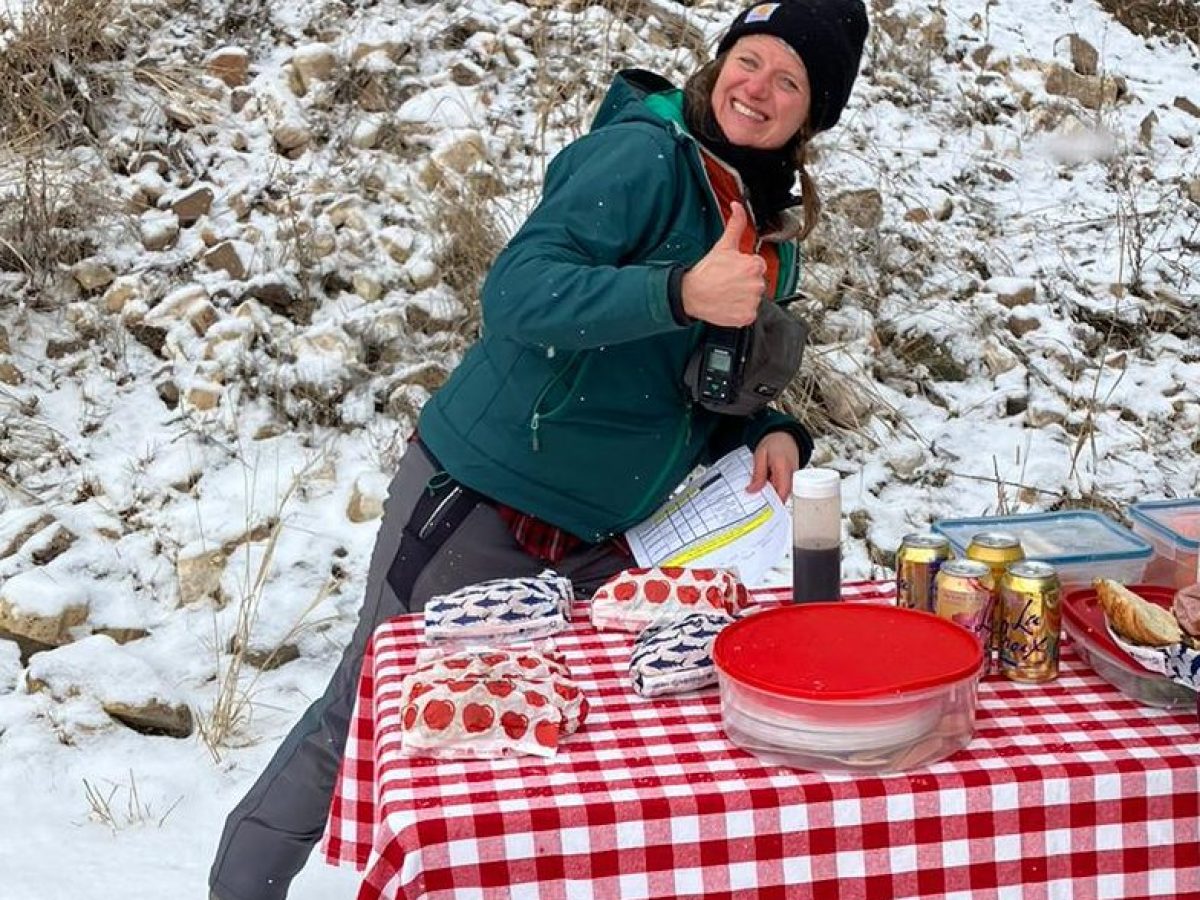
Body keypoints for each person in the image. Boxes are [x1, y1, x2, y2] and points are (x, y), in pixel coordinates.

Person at [209, 2, 868, 897]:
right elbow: (517, 292)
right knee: (368, 722)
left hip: (598, 543)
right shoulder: (646, 157)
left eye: (789, 80)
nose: (759, 87)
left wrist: (770, 428)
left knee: (524, 758)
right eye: (749, 60)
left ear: (812, 113)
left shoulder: (754, 214)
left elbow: (700, 382)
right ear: (719, 65)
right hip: (479, 505)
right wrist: (680, 291)